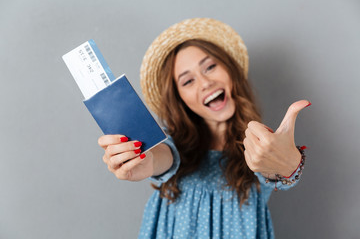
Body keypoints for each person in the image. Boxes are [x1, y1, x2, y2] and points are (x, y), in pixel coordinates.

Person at [98, 18, 310, 238]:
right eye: (188, 81)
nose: (205, 83)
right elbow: (163, 157)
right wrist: (148, 159)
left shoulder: (261, 144)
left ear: (229, 70)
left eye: (210, 67)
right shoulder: (172, 146)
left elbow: (273, 167)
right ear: (180, 98)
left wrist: (288, 165)